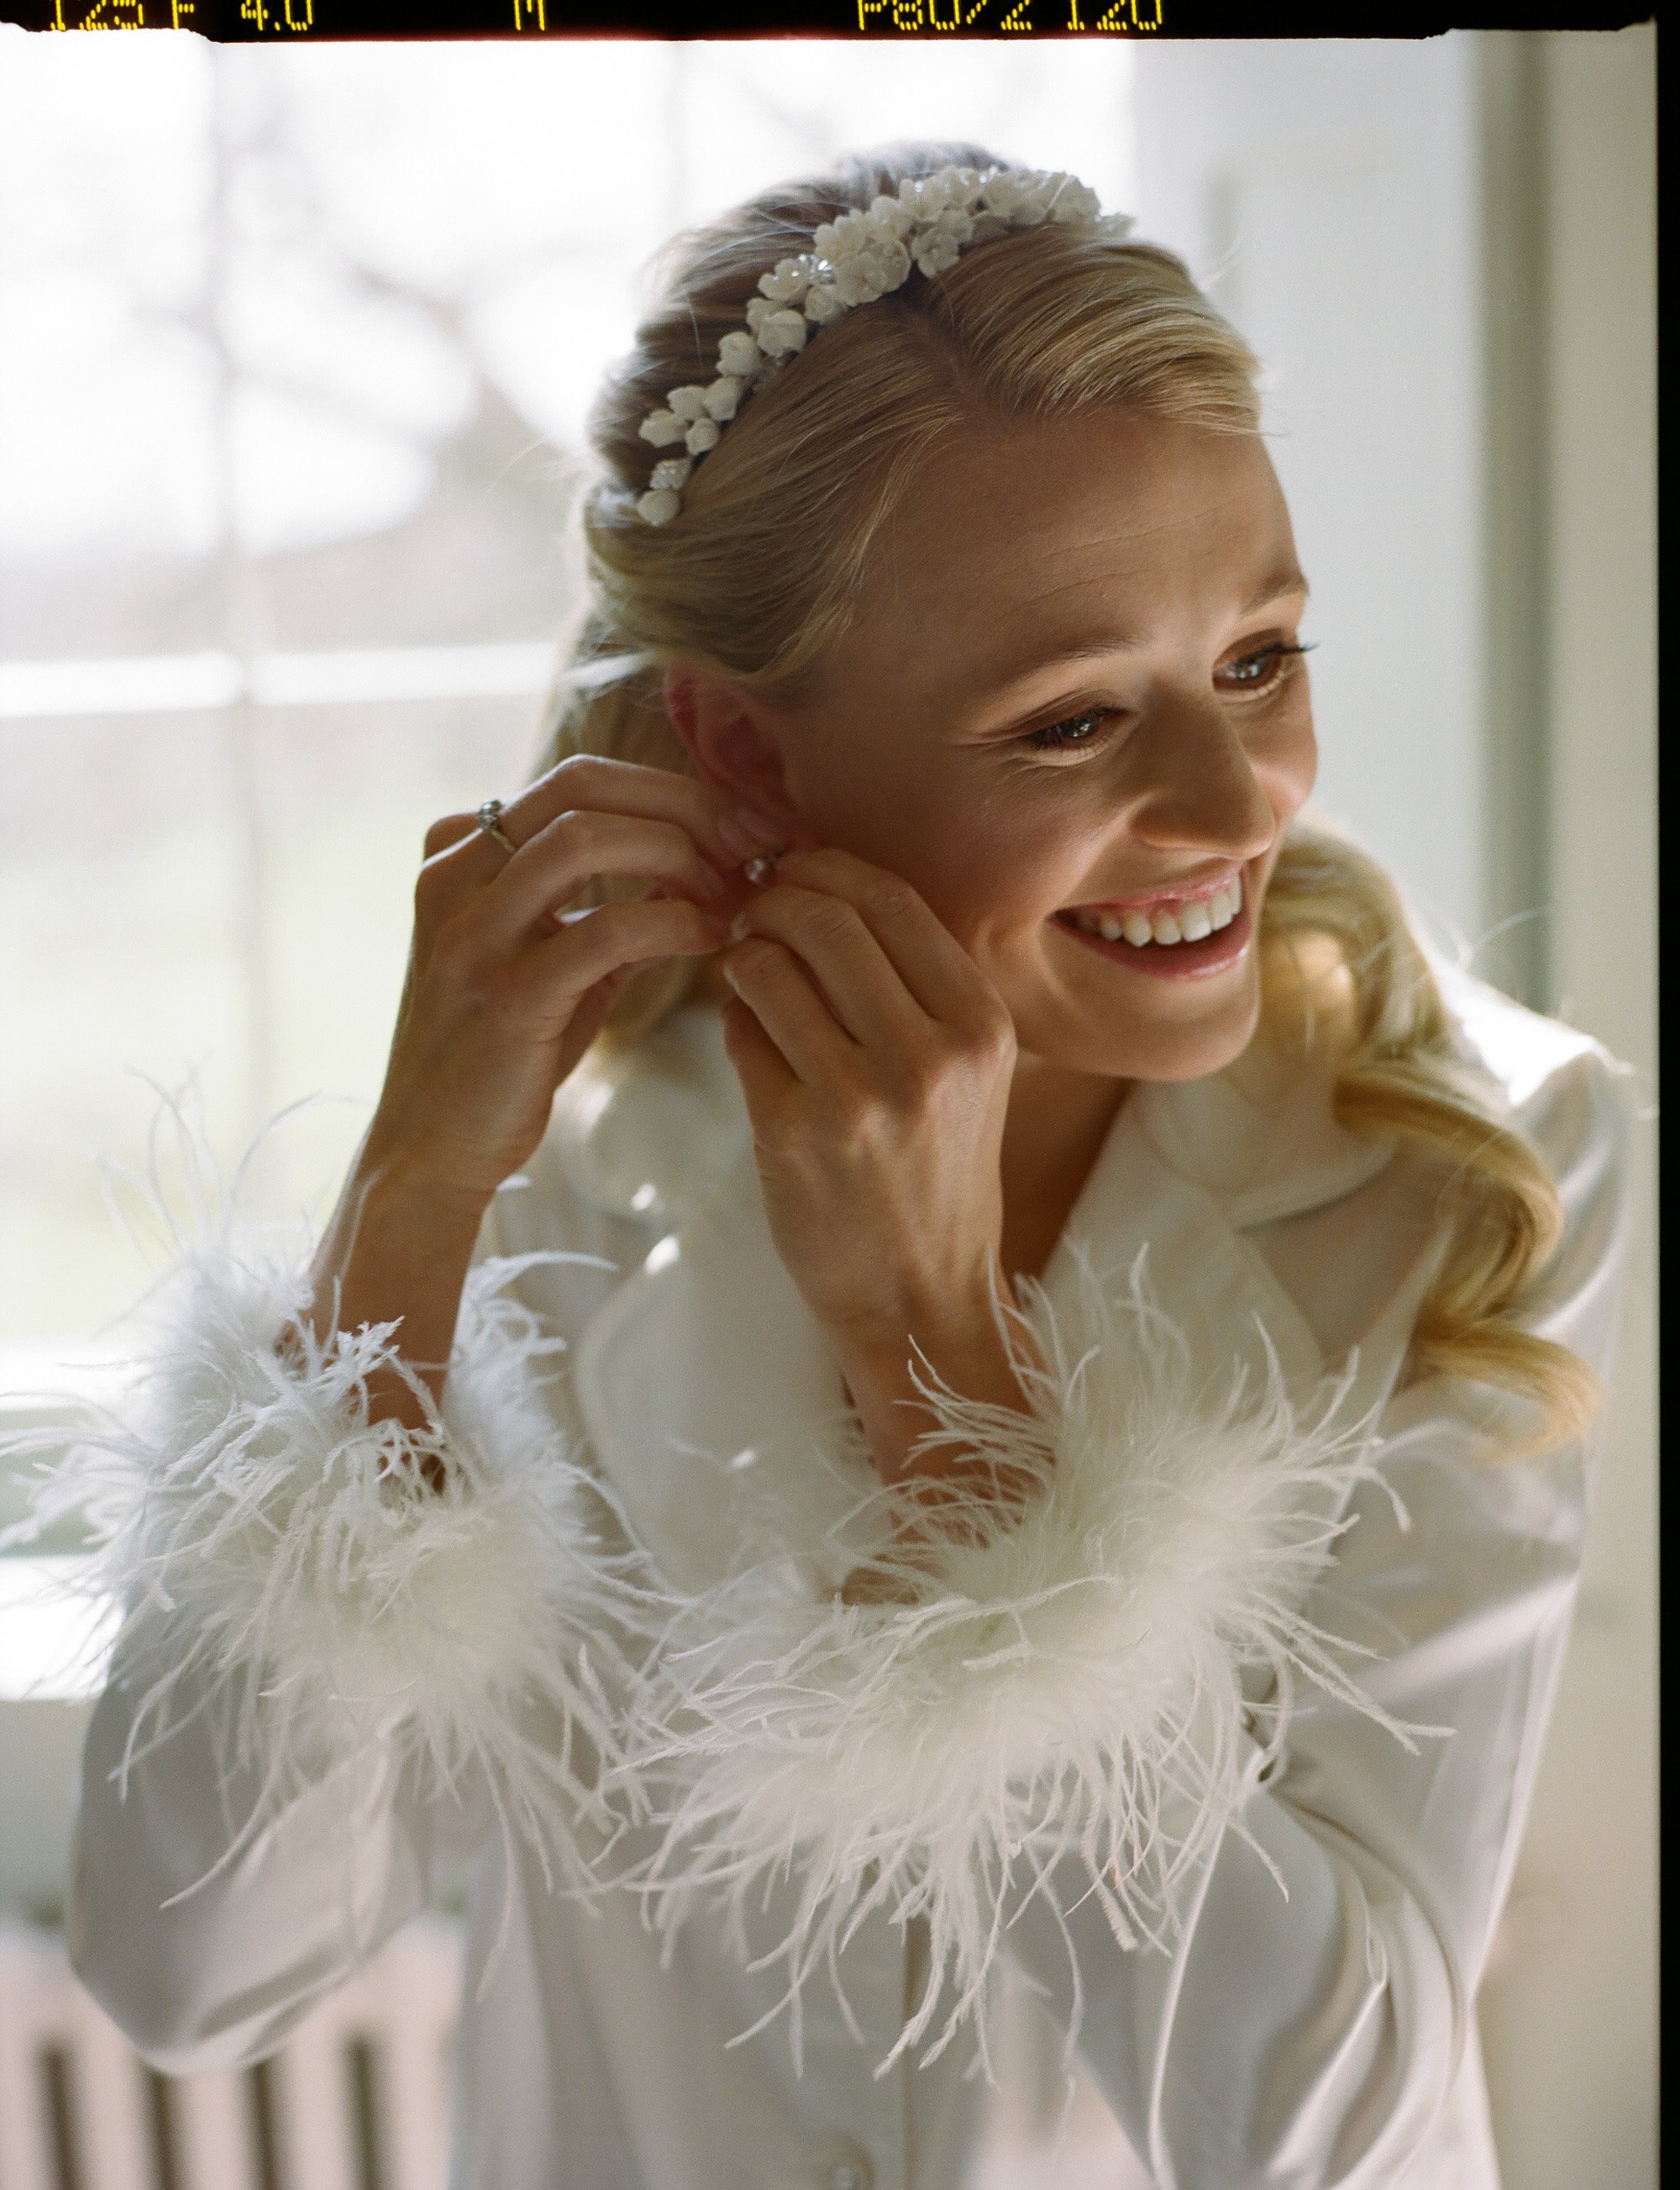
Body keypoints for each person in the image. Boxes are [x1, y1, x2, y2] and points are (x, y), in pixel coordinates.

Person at [15, 144, 1632, 2189]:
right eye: (1067, 721)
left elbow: (1335, 2128)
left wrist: (943, 1381)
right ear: (751, 749)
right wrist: (404, 1205)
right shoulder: (563, 1148)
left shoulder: (1487, 1155)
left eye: (1259, 658)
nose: (1240, 800)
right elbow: (198, 1974)